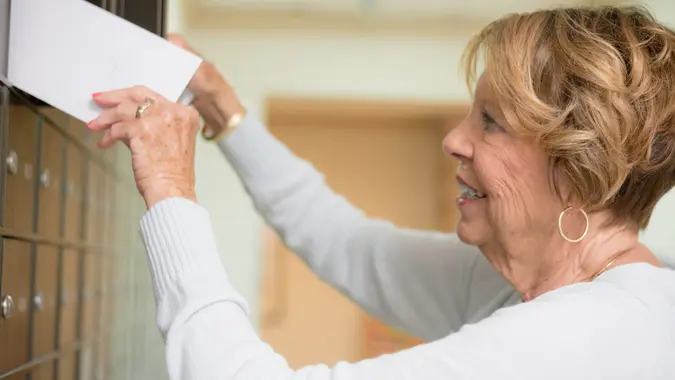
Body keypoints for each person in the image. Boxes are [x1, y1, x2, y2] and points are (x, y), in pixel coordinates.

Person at [87, 5, 675, 380]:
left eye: (490, 122)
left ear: (576, 167)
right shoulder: (524, 284)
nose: (454, 140)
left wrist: (169, 186)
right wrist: (227, 112)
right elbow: (347, 243)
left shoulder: (592, 337)